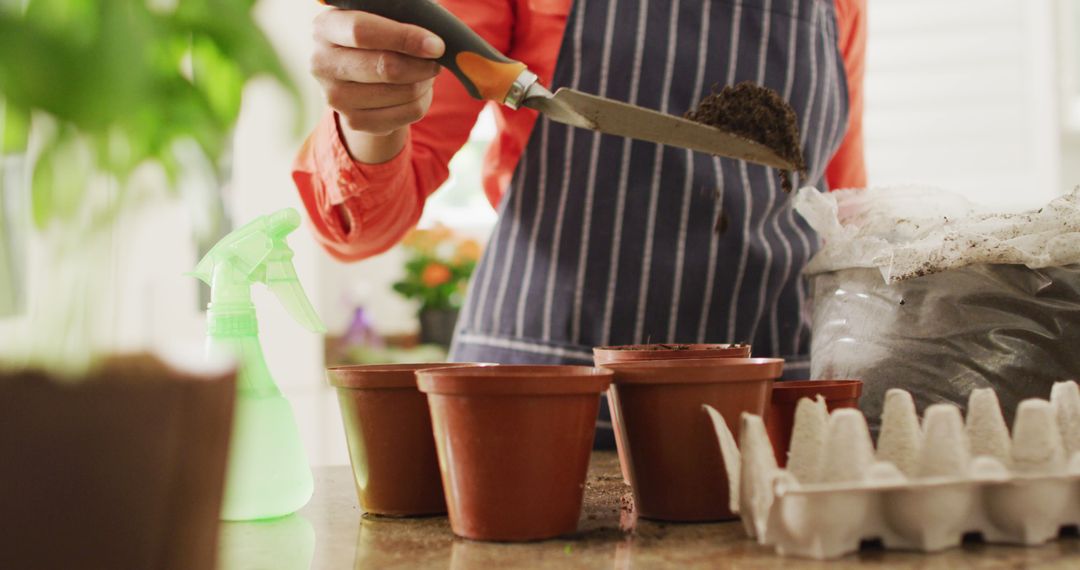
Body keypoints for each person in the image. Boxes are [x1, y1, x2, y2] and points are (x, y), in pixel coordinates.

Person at [295, 0, 866, 448]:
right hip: (539, 408)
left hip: (766, 409)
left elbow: (839, 210)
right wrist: (374, 113)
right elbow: (361, 225)